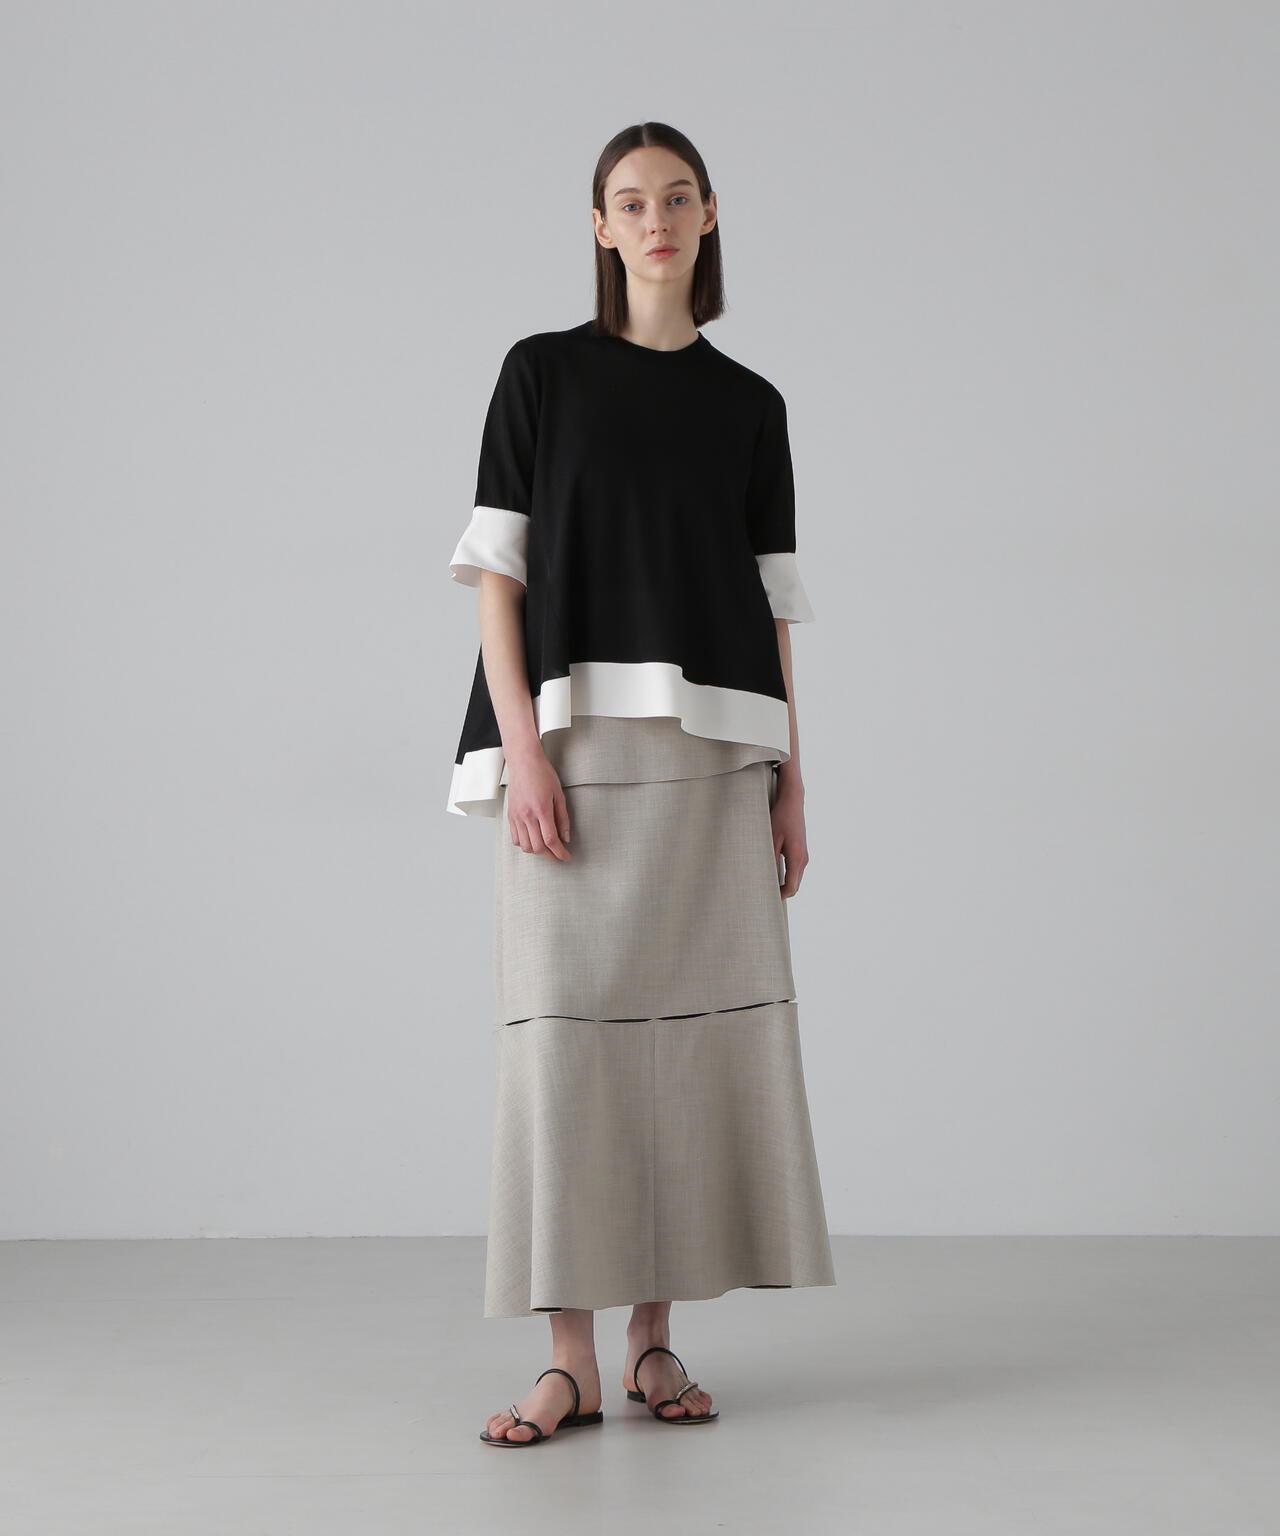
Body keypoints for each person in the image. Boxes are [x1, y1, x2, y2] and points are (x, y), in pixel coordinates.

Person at [445, 122, 836, 1447]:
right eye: (629, 201)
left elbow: (773, 606)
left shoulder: (750, 405)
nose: (654, 219)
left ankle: (652, 1344)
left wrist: (791, 781)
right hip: (572, 750)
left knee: (684, 1046)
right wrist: (525, 749)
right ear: (600, 226)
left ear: (709, 214)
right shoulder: (541, 374)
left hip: (712, 760)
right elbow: (498, 572)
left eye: (676, 197)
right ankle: (567, 1361)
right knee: (565, 1047)